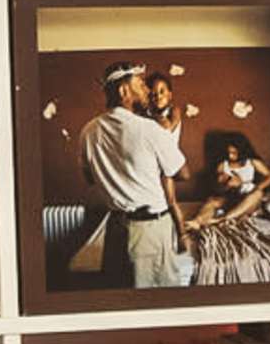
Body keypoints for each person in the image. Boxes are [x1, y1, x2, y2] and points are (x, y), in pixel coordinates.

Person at [66, 62, 185, 287]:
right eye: (141, 84)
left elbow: (90, 179)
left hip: (116, 229)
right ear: (124, 91)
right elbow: (181, 173)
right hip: (149, 230)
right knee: (157, 300)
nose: (147, 90)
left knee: (121, 293)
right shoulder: (149, 129)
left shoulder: (88, 132)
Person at [182, 131, 270, 286]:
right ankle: (198, 221)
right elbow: (216, 187)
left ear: (242, 150)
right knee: (212, 200)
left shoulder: (251, 162)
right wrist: (224, 183)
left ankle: (221, 220)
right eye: (229, 151)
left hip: (248, 198)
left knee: (257, 194)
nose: (231, 154)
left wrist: (254, 186)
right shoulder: (223, 165)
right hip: (230, 197)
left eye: (234, 151)